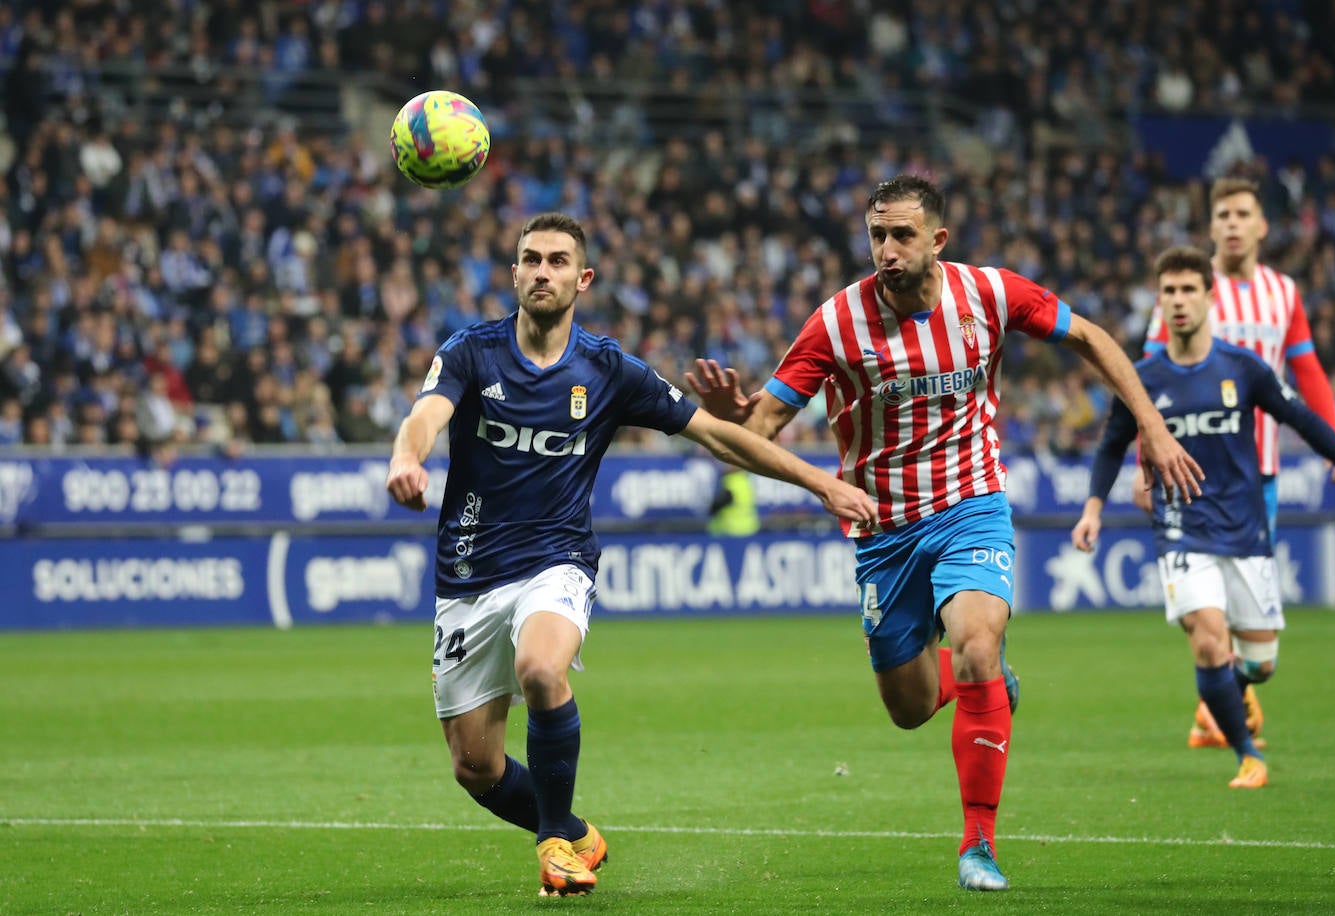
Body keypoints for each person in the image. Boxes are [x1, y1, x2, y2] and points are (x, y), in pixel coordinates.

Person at [685, 175, 1203, 892]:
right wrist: (727, 418)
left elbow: (1089, 336)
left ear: (937, 239)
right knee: (907, 709)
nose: (886, 251)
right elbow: (757, 432)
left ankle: (978, 844)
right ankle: (979, 687)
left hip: (971, 505)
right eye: (876, 236)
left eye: (901, 235)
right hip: (884, 529)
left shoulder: (989, 294)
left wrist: (1153, 426)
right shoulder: (835, 324)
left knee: (977, 644)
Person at [384, 212, 877, 898]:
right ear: (515, 273)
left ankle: (555, 845)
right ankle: (578, 832)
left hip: (556, 563)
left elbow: (721, 438)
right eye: (531, 259)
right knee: (476, 767)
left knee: (540, 667)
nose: (543, 271)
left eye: (558, 261)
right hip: (467, 575)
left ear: (582, 279)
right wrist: (407, 458)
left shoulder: (607, 368)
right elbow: (426, 412)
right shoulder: (473, 351)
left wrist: (821, 481)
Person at [1073, 246, 1335, 789]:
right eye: (1169, 292)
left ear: (1210, 298)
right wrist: (1093, 507)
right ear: (1159, 303)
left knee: (1259, 663)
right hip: (1181, 525)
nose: (1179, 301)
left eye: (1190, 290)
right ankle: (1246, 754)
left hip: (1245, 526)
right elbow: (1112, 443)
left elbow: (1301, 417)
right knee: (1209, 639)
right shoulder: (1141, 377)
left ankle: (1228, 693)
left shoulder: (1243, 368)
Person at [1137, 177, 1335, 750]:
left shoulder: (1283, 292)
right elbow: (1147, 385)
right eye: (1222, 214)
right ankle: (1223, 708)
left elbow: (1306, 369)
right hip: (1190, 469)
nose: (1231, 223)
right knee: (1209, 609)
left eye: (1242, 214)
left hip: (1260, 472)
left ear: (1262, 226)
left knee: (1248, 614)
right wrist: (1143, 461)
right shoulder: (1187, 288)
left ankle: (1222, 699)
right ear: (1210, 227)